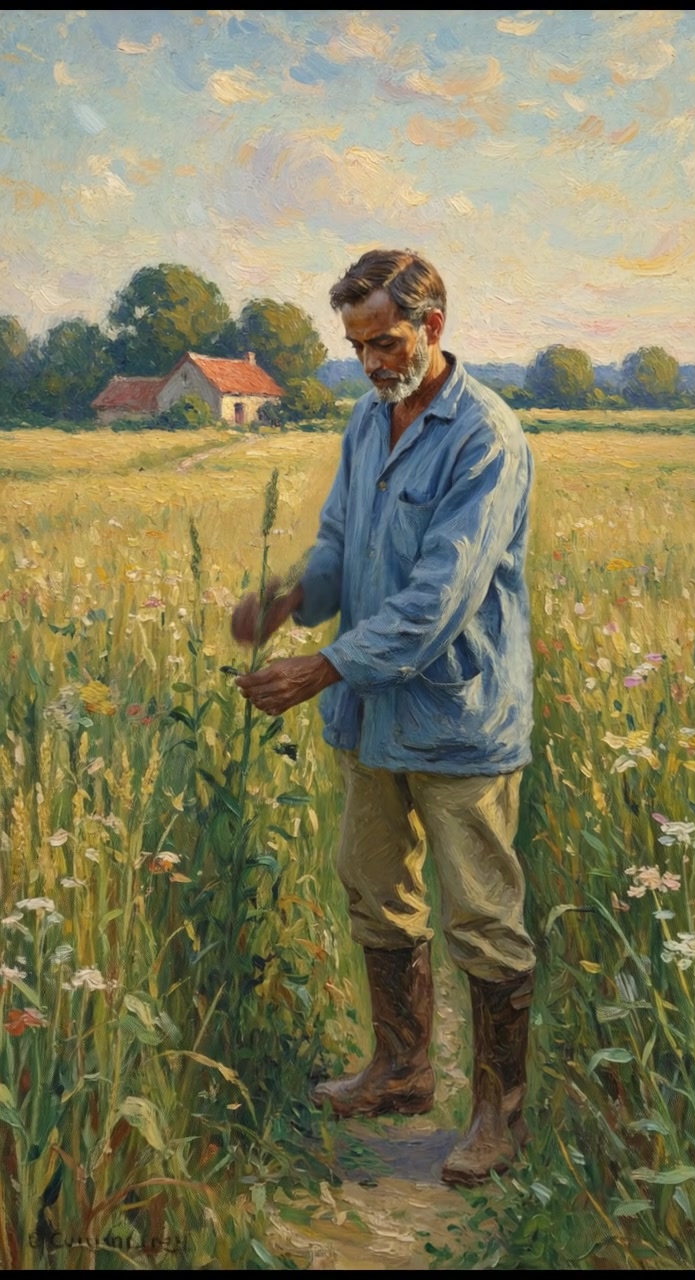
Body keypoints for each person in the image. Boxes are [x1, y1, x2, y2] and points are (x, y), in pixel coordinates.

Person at [231, 248, 535, 1186]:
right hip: (371, 715)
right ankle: (402, 1072)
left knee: (483, 916)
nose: (369, 362)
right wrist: (293, 597)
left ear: (433, 326)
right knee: (373, 886)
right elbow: (337, 543)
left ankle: (498, 1117)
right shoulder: (369, 420)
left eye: (385, 341)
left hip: (457, 716)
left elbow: (442, 594)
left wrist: (323, 664)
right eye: (357, 345)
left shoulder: (486, 435)